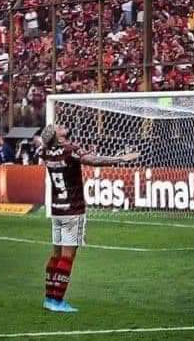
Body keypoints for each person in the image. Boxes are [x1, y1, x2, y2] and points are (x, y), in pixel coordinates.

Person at [41, 124, 138, 313]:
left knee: (57, 255)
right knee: (68, 257)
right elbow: (93, 161)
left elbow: (48, 148)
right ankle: (57, 301)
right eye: (56, 127)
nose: (60, 125)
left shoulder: (45, 152)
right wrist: (118, 159)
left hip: (57, 210)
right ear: (58, 138)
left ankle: (49, 298)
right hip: (73, 210)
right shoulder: (70, 150)